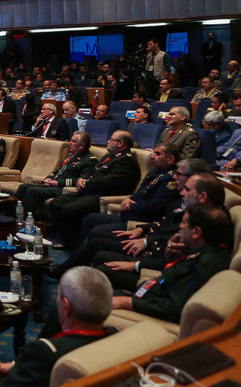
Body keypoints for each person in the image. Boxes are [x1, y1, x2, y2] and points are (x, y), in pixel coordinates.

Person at [53, 162, 214, 276]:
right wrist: (143, 231)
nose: (174, 178)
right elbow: (165, 223)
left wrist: (146, 243)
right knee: (94, 232)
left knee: (96, 239)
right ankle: (71, 268)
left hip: (156, 252)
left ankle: (69, 272)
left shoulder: (204, 218)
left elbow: (174, 242)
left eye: (179, 175)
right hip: (147, 235)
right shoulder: (185, 201)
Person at [104, 204, 232, 323]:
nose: (180, 226)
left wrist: (127, 302)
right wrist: (169, 255)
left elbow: (173, 308)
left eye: (183, 222)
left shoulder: (206, 263)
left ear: (196, 232)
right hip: (148, 295)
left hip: (149, 310)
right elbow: (173, 276)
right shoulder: (202, 251)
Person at [46, 131, 140, 248]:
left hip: (104, 196)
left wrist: (86, 184)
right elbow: (96, 174)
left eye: (111, 139)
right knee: (56, 203)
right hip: (90, 191)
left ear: (120, 143)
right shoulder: (110, 156)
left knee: (69, 209)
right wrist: (83, 180)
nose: (108, 141)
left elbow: (109, 182)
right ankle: (62, 237)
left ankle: (71, 244)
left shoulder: (126, 161)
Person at [15, 132, 97, 218]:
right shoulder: (71, 156)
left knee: (32, 191)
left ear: (81, 146)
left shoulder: (90, 160)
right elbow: (57, 171)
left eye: (73, 142)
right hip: (54, 185)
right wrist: (48, 178)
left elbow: (81, 181)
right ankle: (13, 216)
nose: (70, 143)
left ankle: (24, 221)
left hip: (64, 189)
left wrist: (57, 183)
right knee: (23, 187)